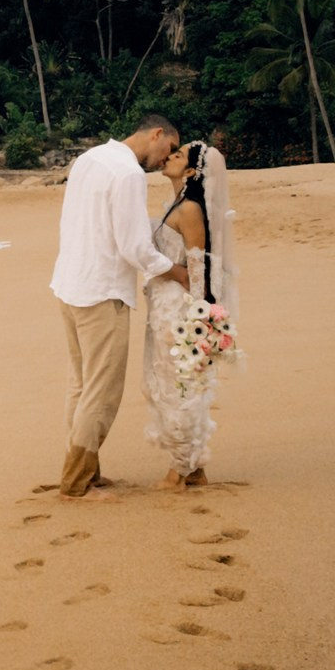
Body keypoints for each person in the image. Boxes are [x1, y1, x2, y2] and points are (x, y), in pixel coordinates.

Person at [49, 113, 186, 497]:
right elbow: (134, 247)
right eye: (170, 148)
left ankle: (84, 470)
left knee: (80, 386)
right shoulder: (127, 174)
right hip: (101, 291)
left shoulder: (90, 158)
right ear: (157, 134)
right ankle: (76, 482)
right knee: (101, 392)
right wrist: (176, 272)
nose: (165, 158)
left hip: (69, 283)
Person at [141, 142, 237, 486]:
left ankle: (179, 468)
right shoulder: (176, 205)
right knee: (168, 384)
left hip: (178, 312)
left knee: (177, 386)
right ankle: (194, 467)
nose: (168, 157)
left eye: (178, 156)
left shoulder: (190, 210)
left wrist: (199, 321)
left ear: (192, 172)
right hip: (163, 306)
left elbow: (198, 269)